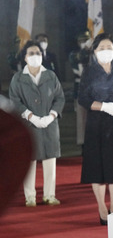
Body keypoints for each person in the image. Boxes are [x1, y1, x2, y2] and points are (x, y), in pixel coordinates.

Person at [78, 33, 113, 225]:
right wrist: (104, 106)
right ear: (95, 51)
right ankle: (101, 207)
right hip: (97, 123)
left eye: (109, 48)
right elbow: (83, 98)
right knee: (97, 167)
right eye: (102, 48)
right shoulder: (89, 72)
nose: (106, 51)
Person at [9, 40, 65, 207]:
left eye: (38, 53)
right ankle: (30, 197)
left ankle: (49, 195)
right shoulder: (18, 79)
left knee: (50, 161)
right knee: (29, 161)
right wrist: (30, 116)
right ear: (25, 58)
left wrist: (52, 115)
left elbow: (60, 98)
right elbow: (15, 101)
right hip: (28, 125)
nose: (35, 56)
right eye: (31, 53)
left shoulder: (51, 75)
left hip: (50, 123)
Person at [69, 31, 92, 145]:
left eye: (86, 40)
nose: (84, 43)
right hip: (80, 88)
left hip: (93, 90)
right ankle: (82, 142)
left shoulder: (93, 54)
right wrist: (85, 50)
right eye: (82, 41)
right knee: (81, 119)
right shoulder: (75, 54)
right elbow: (78, 69)